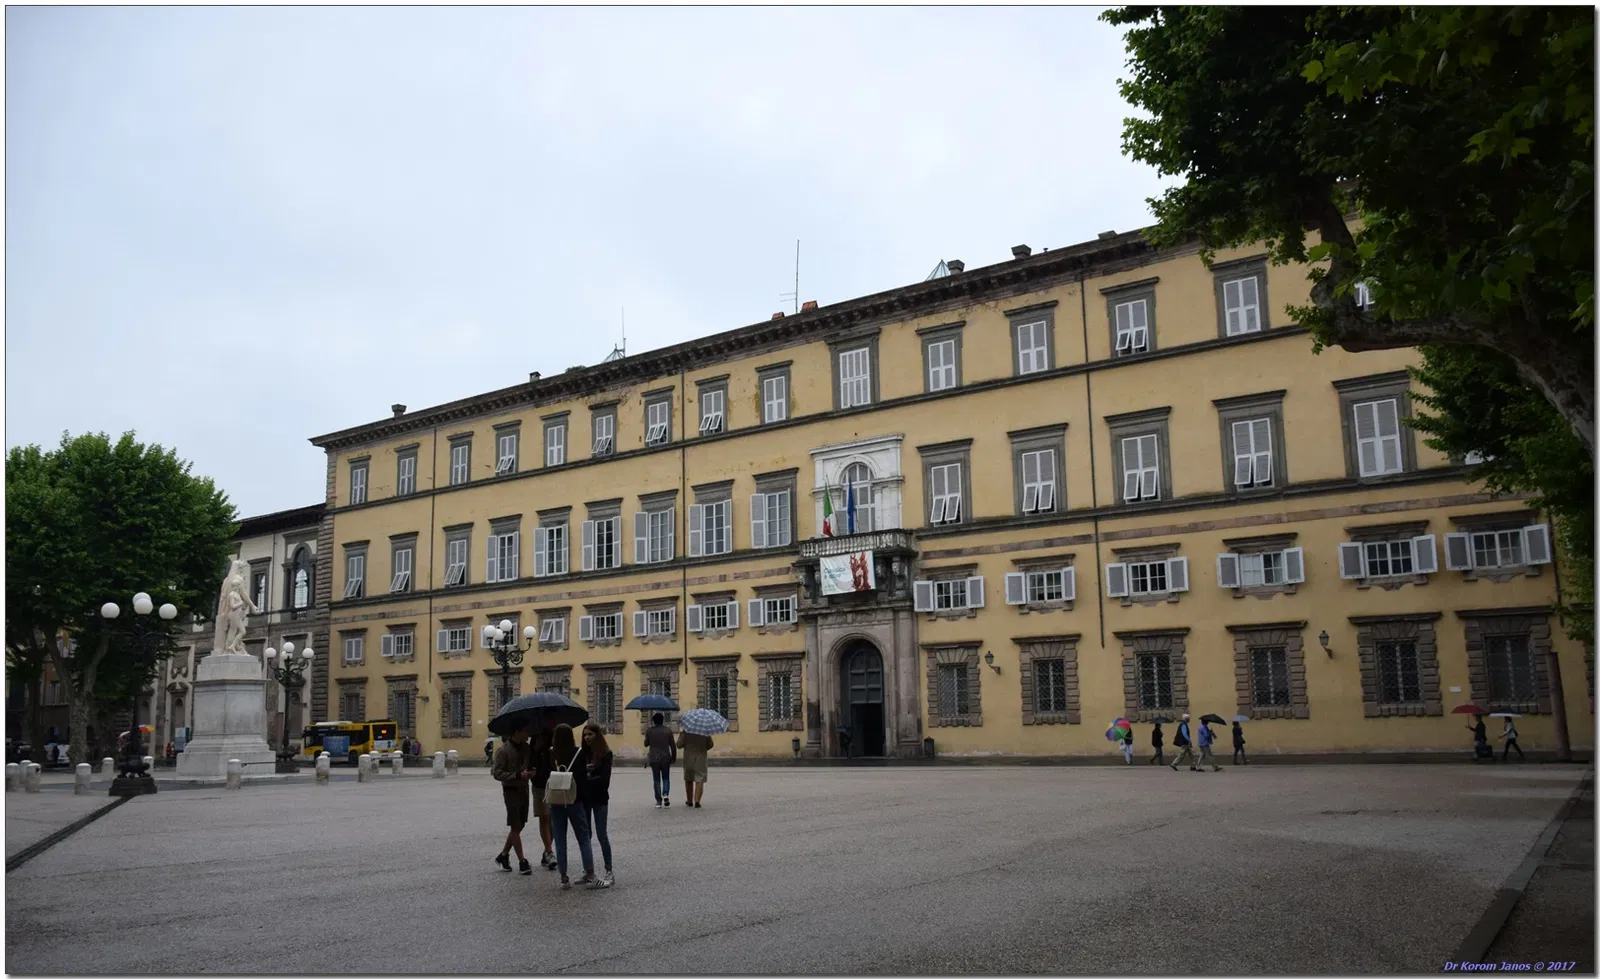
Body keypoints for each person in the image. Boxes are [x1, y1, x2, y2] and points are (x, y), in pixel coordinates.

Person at [549, 723, 597, 890]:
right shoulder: (579, 753)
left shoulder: (551, 753)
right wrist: (585, 800)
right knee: (583, 838)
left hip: (555, 801)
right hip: (574, 800)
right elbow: (582, 782)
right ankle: (590, 874)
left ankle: (563, 877)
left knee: (560, 839)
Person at [490, 725, 534, 875]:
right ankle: (522, 861)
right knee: (515, 825)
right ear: (517, 732)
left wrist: (531, 772)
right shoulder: (503, 751)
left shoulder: (526, 748)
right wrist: (516, 776)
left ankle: (503, 855)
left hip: (524, 789)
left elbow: (529, 765)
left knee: (520, 824)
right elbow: (496, 773)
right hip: (511, 791)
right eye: (526, 731)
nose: (528, 734)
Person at [580, 723, 615, 888]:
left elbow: (604, 781)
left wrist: (586, 778)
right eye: (585, 735)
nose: (587, 737)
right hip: (586, 798)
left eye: (590, 734)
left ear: (597, 735)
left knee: (602, 835)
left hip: (600, 798)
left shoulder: (606, 753)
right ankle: (588, 871)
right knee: (586, 836)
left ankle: (609, 870)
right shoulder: (582, 753)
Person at [643, 712, 676, 808]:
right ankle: (665, 795)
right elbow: (673, 746)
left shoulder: (650, 731)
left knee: (656, 780)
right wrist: (673, 757)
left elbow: (646, 744)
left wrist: (647, 736)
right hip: (665, 757)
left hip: (654, 758)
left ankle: (658, 801)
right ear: (663, 721)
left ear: (653, 721)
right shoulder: (668, 731)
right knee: (666, 778)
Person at [678, 730, 713, 808]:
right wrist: (703, 748)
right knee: (700, 779)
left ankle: (689, 801)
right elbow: (711, 744)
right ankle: (697, 801)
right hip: (701, 757)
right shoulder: (705, 731)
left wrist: (681, 735)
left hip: (688, 758)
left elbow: (679, 745)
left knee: (688, 779)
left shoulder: (686, 731)